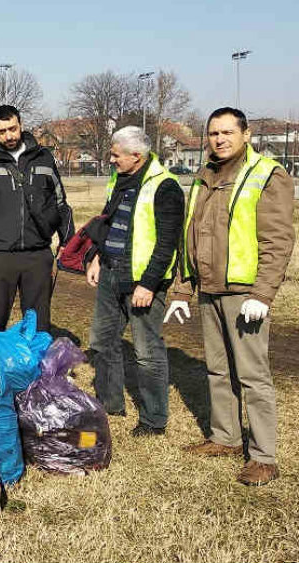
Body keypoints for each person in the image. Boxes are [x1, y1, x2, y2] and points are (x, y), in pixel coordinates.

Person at [165, 107, 295, 486]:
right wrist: (182, 289)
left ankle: (264, 456)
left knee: (253, 375)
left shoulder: (267, 174)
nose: (219, 139)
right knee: (218, 370)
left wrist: (263, 294)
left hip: (245, 295)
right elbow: (192, 234)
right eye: (213, 133)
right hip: (209, 289)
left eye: (227, 132)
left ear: (246, 133)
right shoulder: (205, 173)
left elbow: (278, 241)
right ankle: (225, 436)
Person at [84, 126, 184, 435]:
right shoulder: (118, 180)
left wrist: (149, 284)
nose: (111, 159)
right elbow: (109, 224)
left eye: (116, 154)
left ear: (136, 156)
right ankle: (110, 403)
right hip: (111, 274)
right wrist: (97, 257)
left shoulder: (166, 187)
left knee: (146, 351)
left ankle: (154, 420)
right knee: (101, 342)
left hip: (142, 282)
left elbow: (168, 243)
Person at [0, 105, 74, 332]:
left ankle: (36, 364)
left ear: (20, 124)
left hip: (37, 254)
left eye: (12, 129)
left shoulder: (44, 159)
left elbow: (61, 202)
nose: (8, 136)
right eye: (1, 131)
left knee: (38, 322)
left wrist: (67, 241)